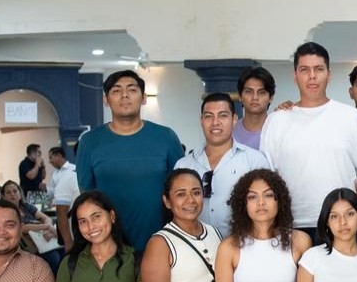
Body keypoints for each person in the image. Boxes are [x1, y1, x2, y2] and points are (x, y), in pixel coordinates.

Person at [260, 43, 357, 238]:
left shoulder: (352, 118)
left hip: (341, 224)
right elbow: (266, 176)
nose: (312, 76)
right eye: (304, 70)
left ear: (329, 74)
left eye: (319, 69)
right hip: (289, 225)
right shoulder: (276, 121)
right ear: (295, 76)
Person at [77, 69, 184, 252]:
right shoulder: (89, 142)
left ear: (144, 98)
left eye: (132, 90)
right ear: (105, 100)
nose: (125, 95)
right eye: (116, 90)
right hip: (110, 248)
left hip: (161, 244)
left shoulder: (166, 137)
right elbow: (87, 195)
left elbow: (180, 188)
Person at [175, 93, 271, 237]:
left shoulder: (254, 161)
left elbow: (267, 208)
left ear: (234, 119)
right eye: (208, 116)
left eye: (223, 115)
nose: (215, 122)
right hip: (195, 245)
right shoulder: (184, 165)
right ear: (201, 120)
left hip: (242, 245)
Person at [0, 180, 62, 272]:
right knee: (54, 258)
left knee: (64, 252)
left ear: (20, 194)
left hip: (42, 237)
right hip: (26, 245)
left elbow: (46, 218)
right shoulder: (4, 212)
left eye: (15, 191)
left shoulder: (26, 206)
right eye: (8, 192)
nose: (12, 194)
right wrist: (46, 227)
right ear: (3, 196)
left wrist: (48, 227)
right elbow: (22, 228)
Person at [234, 66, 275, 150]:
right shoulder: (229, 132)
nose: (255, 97)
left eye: (261, 92)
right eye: (249, 92)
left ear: (271, 97)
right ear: (240, 96)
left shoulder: (278, 131)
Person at [49, 147, 79, 249]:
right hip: (73, 224)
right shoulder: (66, 175)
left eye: (51, 158)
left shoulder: (73, 169)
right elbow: (61, 211)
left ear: (58, 156)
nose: (50, 161)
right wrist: (68, 242)